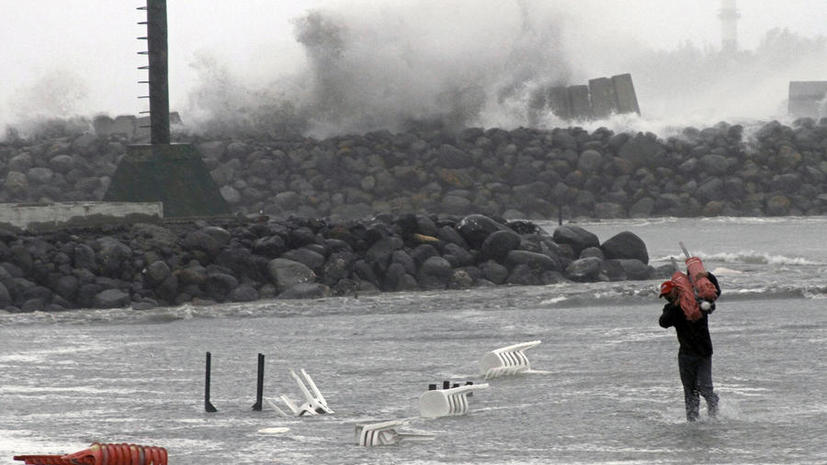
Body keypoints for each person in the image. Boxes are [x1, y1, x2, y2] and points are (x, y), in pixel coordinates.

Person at [659, 271, 721, 422]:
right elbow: (663, 322)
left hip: (703, 352)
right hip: (686, 354)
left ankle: (714, 415)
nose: (667, 297)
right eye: (665, 295)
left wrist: (707, 275)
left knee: (705, 389)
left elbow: (715, 296)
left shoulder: (697, 302)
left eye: (668, 293)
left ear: (676, 289)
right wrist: (678, 304)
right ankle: (692, 420)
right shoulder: (671, 309)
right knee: (690, 390)